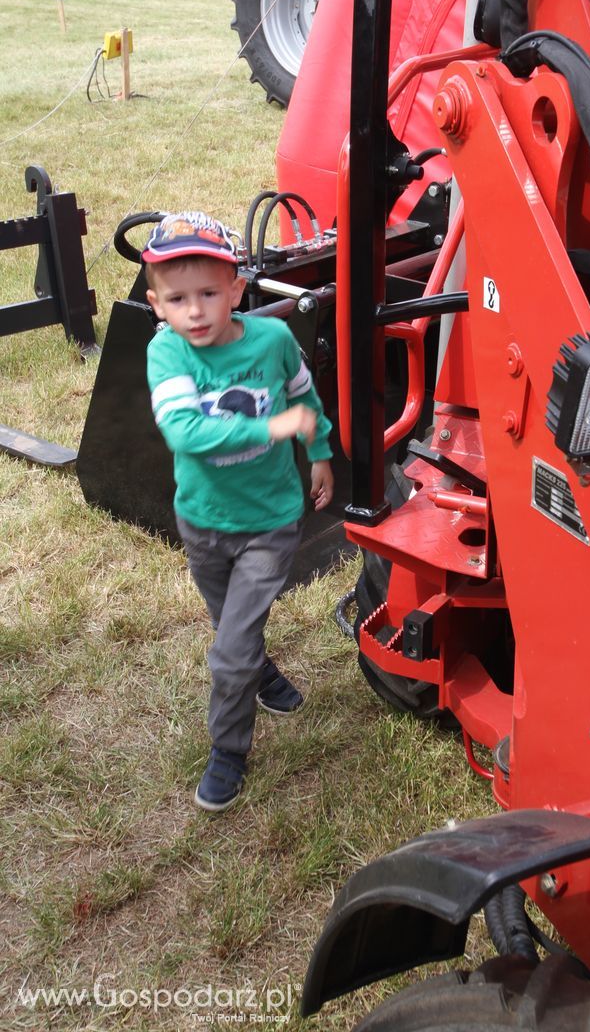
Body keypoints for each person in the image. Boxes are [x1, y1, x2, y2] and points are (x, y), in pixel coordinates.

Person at [144, 211, 334, 813]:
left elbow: (303, 393)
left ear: (236, 290)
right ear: (156, 305)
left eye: (208, 294)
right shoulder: (166, 354)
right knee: (233, 628)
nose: (194, 311)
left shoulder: (272, 341)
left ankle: (229, 749)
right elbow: (184, 430)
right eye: (177, 299)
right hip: (200, 522)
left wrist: (320, 452)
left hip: (268, 523)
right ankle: (266, 675)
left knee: (228, 652)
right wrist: (272, 425)